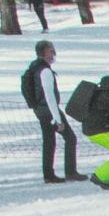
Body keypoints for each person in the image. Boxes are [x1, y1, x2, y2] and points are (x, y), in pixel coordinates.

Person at [21, 40, 83, 183]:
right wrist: (58, 119)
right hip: (49, 111)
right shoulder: (45, 70)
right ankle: (70, 171)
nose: (53, 53)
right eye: (51, 50)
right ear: (44, 52)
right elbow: (49, 96)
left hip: (40, 110)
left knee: (48, 142)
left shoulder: (34, 67)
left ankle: (48, 174)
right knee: (70, 138)